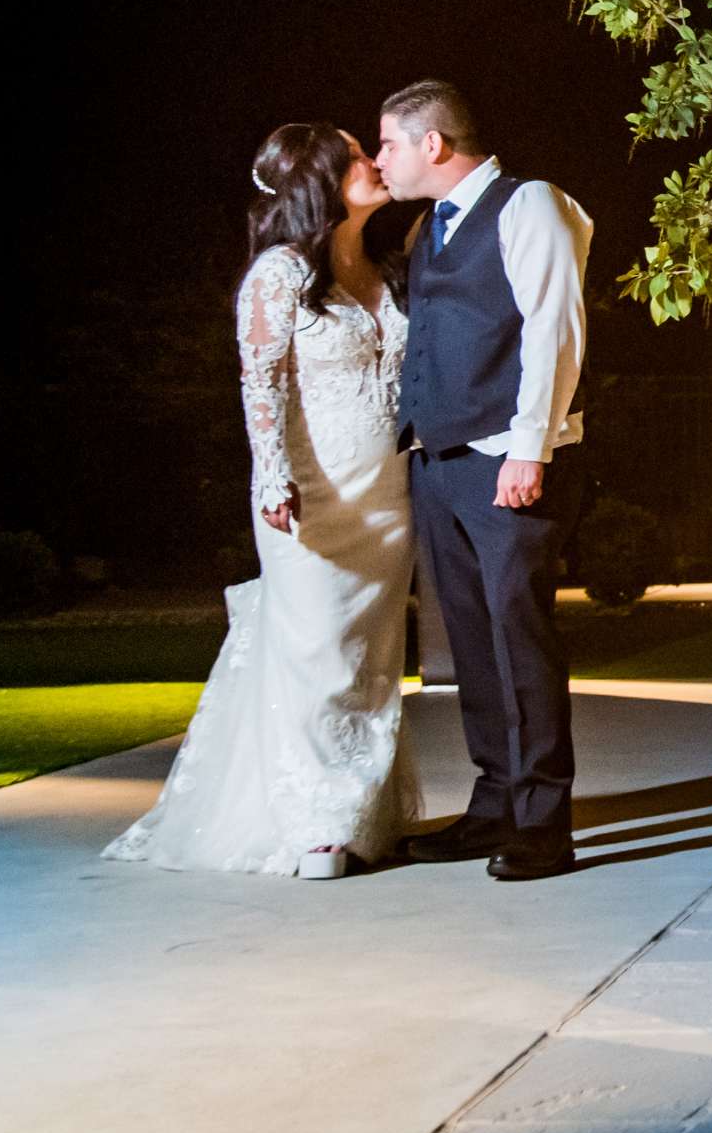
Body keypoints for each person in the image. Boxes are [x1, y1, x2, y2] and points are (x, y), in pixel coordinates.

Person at [105, 123, 419, 879]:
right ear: (321, 179)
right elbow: (261, 382)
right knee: (315, 652)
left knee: (371, 659)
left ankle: (360, 814)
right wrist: (272, 474)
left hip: (388, 497)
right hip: (309, 496)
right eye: (356, 158)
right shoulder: (278, 274)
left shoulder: (389, 266)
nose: (375, 164)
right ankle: (314, 825)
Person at [375, 80, 592, 882]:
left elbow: (554, 327)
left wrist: (529, 449)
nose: (380, 160)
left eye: (388, 144)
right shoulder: (425, 228)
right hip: (439, 462)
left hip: (507, 455)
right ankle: (495, 802)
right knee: (470, 639)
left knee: (518, 636)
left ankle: (544, 823)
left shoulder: (529, 203)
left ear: (433, 144)